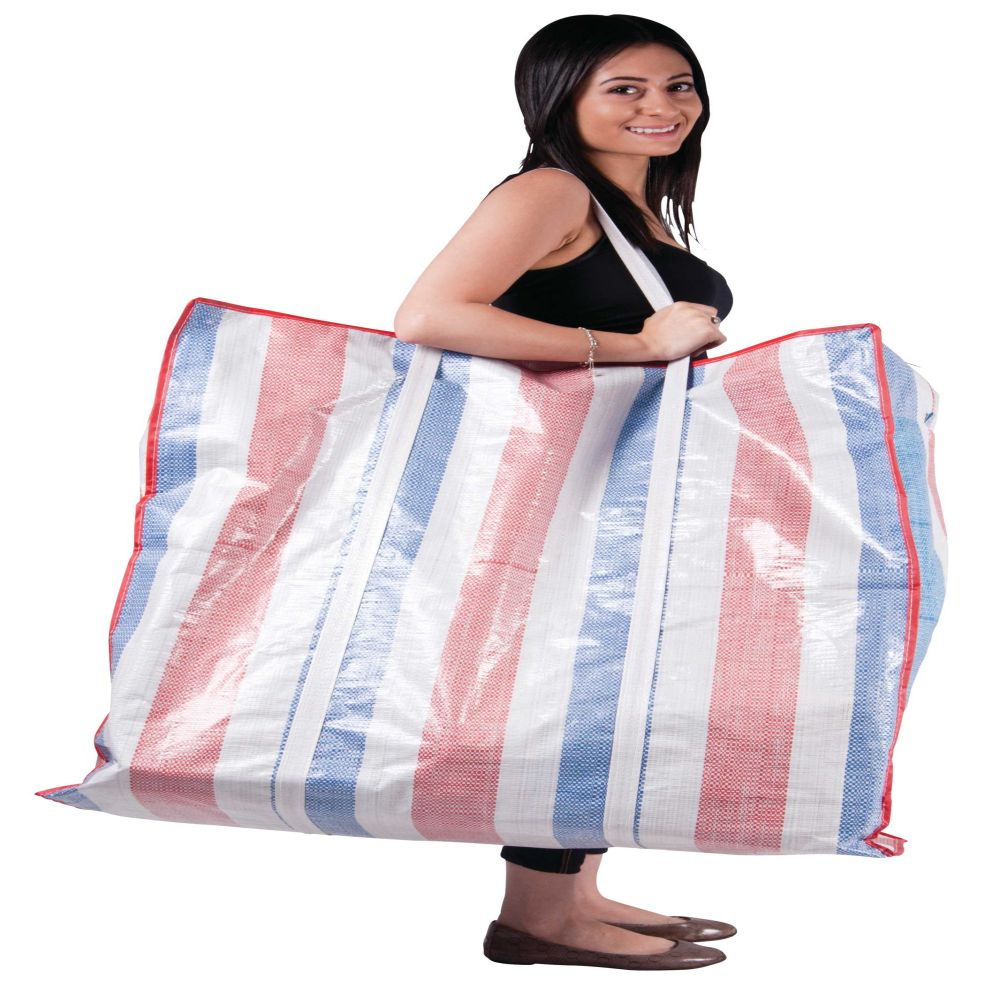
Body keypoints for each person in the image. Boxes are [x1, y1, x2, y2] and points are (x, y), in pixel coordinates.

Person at [394, 14, 736, 971]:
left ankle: (570, 893)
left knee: (604, 683)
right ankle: (539, 917)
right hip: (546, 492)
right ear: (560, 99)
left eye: (677, 84)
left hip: (601, 484)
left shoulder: (633, 209)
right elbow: (428, 315)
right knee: (567, 688)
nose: (661, 105)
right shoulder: (551, 191)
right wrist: (633, 345)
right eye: (624, 88)